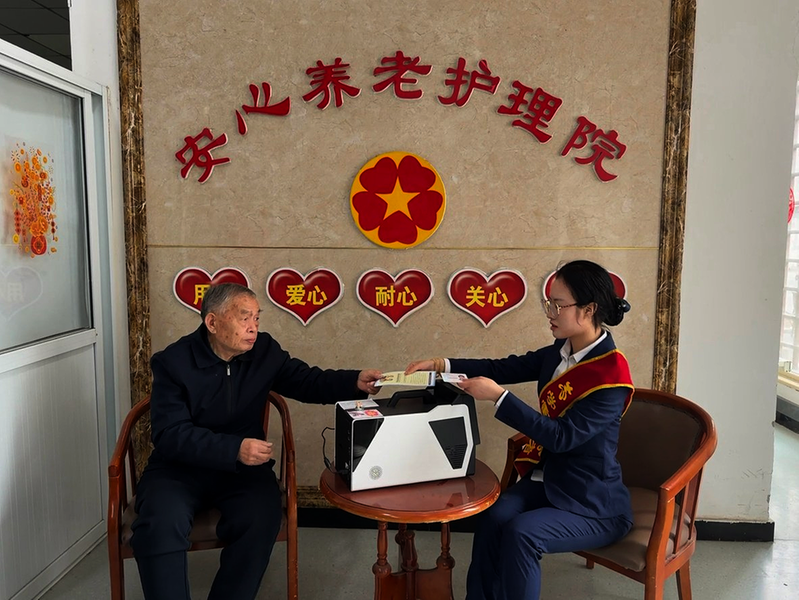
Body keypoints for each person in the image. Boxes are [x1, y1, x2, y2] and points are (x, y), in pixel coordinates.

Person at [130, 282, 382, 600]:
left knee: (262, 517)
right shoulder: (173, 362)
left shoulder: (264, 351)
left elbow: (308, 381)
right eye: (244, 318)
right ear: (212, 322)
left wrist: (353, 381)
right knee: (160, 523)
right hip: (178, 468)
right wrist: (234, 448)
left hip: (242, 470)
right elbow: (170, 434)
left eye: (257, 318)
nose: (253, 327)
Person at [405, 260, 634, 600]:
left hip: (592, 501)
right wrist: (441, 365)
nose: (550, 313)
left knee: (523, 533)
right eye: (549, 303)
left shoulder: (611, 376)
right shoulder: (560, 352)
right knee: (494, 516)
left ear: (588, 310)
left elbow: (561, 437)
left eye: (558, 305)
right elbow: (502, 367)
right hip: (552, 481)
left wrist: (499, 398)